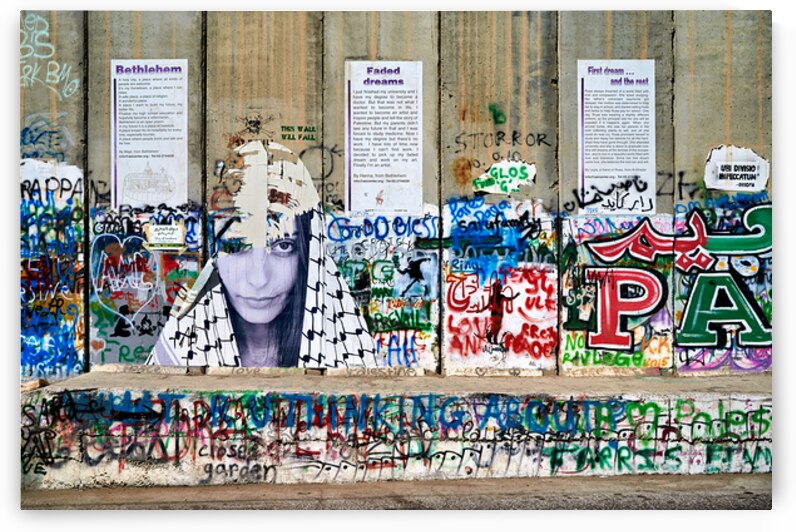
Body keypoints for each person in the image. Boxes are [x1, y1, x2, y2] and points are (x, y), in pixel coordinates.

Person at [148, 140, 381, 368]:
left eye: (283, 246)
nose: (258, 279)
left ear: (309, 254)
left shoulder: (343, 348)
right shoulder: (184, 343)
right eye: (237, 244)